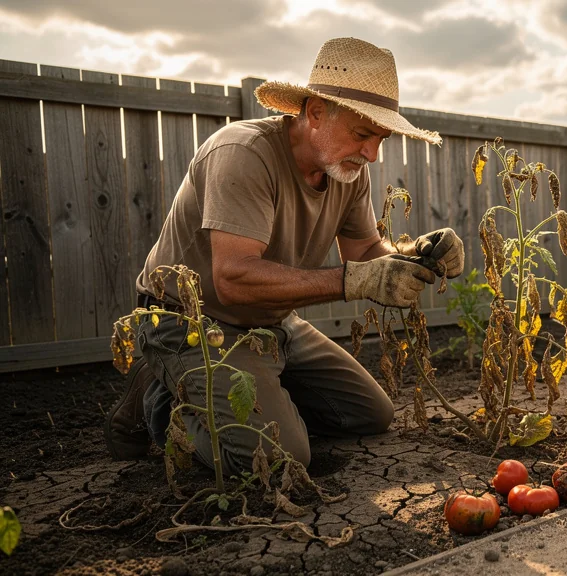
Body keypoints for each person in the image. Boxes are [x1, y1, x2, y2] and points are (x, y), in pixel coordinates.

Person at [103, 37, 464, 476]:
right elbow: (233, 279)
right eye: (363, 134)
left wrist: (416, 255)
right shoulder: (243, 154)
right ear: (314, 113)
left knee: (369, 415)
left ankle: (257, 388)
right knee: (279, 459)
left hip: (273, 322)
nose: (372, 154)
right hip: (190, 322)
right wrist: (351, 281)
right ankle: (158, 400)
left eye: (381, 138)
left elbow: (367, 251)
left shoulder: (347, 171)